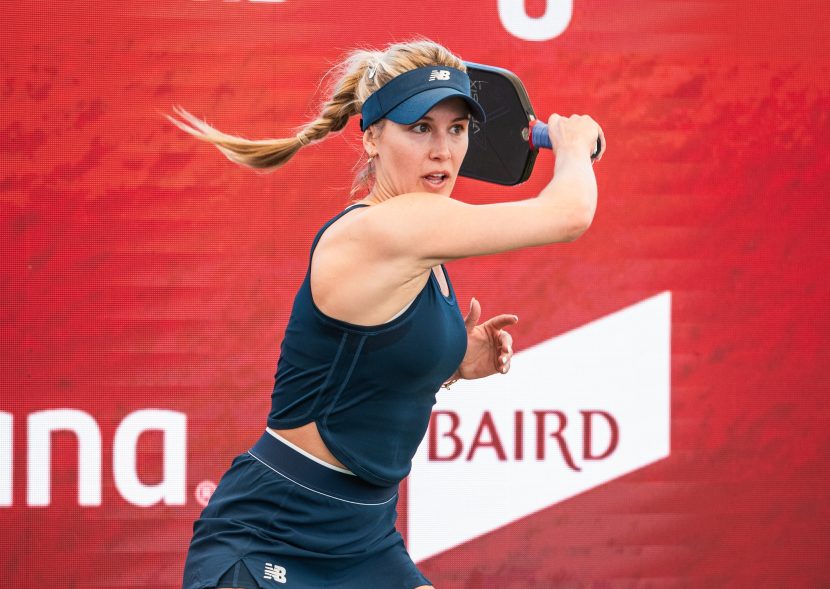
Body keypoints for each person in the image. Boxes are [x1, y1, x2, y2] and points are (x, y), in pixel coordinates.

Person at [167, 38, 604, 589]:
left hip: (365, 539)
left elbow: (358, 360)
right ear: (372, 136)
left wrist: (451, 362)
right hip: (271, 533)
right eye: (420, 128)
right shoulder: (387, 229)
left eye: (457, 129)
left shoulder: (421, 244)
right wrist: (573, 143)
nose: (442, 150)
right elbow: (569, 214)